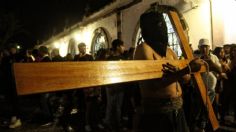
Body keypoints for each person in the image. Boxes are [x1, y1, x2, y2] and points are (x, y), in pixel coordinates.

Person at [133, 11, 203, 132]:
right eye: (158, 24)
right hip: (157, 113)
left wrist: (183, 72)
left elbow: (186, 79)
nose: (162, 28)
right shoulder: (143, 49)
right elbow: (154, 85)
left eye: (163, 24)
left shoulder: (170, 51)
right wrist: (184, 71)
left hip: (178, 109)